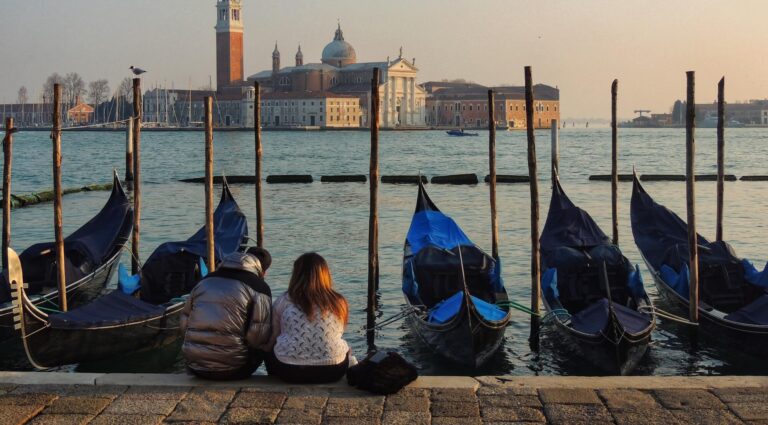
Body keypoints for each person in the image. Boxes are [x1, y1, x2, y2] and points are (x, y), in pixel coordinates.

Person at [180, 250, 272, 380]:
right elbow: (258, 338)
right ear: (262, 270)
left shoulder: (204, 281)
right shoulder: (260, 287)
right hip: (234, 369)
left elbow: (184, 320)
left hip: (195, 365)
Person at [265, 252, 351, 383]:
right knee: (344, 347)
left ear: (296, 275)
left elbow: (274, 336)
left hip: (289, 371)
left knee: (269, 348)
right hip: (333, 370)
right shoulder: (338, 302)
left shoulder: (284, 300)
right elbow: (337, 333)